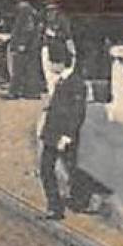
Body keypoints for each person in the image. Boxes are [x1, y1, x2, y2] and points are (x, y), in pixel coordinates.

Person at [36, 45, 85, 220]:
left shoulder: (75, 83)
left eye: (52, 63)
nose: (50, 66)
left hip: (62, 136)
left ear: (60, 63)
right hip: (52, 134)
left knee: (67, 169)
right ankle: (56, 205)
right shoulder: (62, 80)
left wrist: (67, 136)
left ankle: (60, 206)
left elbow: (77, 113)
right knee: (47, 168)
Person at [0, 0, 45, 100]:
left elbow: (26, 28)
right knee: (30, 68)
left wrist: (22, 43)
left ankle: (14, 92)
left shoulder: (24, 10)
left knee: (18, 68)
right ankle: (31, 92)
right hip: (31, 43)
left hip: (24, 43)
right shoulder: (30, 10)